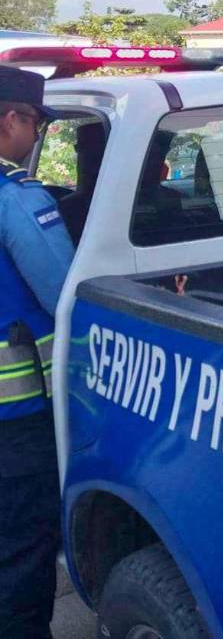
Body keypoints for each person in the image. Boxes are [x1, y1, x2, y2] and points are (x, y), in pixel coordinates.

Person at [0, 67, 75, 638]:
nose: (35, 135)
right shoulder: (17, 199)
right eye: (34, 122)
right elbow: (65, 292)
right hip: (17, 421)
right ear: (11, 120)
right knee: (22, 556)